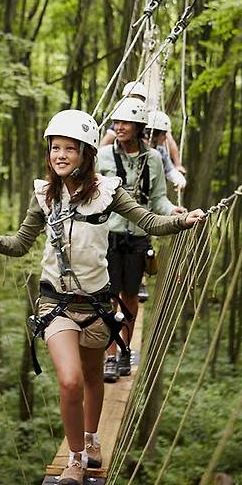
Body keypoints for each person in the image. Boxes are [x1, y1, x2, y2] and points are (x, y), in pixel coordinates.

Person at [0, 109, 204, 485]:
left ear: (86, 153)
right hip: (54, 303)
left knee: (93, 378)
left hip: (97, 305)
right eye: (55, 148)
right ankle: (74, 461)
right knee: (70, 381)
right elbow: (20, 243)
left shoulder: (108, 191)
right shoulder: (44, 195)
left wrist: (182, 221)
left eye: (68, 149)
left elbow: (149, 221)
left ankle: (92, 439)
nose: (59, 156)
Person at [96, 98, 185, 382]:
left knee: (130, 298)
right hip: (108, 235)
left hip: (138, 237)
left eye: (125, 123)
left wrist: (174, 212)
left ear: (138, 127)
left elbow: (158, 199)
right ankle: (110, 356)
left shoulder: (154, 159)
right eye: (116, 123)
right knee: (109, 298)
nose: (119, 128)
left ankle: (124, 350)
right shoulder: (103, 157)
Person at [99, 80, 148, 148]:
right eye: (128, 97)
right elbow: (106, 142)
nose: (131, 100)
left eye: (135, 97)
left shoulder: (150, 118)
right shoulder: (120, 120)